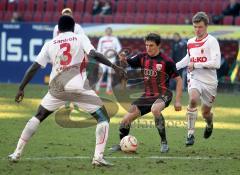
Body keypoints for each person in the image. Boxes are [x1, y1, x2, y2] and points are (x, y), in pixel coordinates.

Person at [8, 15, 126, 166]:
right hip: (78, 87)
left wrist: (21, 88)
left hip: (56, 87)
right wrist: (114, 67)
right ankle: (98, 157)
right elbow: (94, 54)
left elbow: (34, 67)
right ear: (73, 27)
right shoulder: (80, 37)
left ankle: (16, 153)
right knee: (103, 118)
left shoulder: (50, 43)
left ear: (58, 29)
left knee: (39, 115)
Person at [110, 33, 183, 153]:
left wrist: (178, 100)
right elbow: (127, 62)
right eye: (146, 45)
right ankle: (122, 144)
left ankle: (164, 143)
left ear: (158, 45)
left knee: (155, 109)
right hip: (147, 95)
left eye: (151, 45)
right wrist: (122, 58)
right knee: (125, 121)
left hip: (164, 94)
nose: (148, 48)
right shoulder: (142, 57)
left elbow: (179, 80)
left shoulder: (167, 61)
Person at [176, 12, 221, 146]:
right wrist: (173, 67)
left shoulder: (212, 41)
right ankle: (190, 135)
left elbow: (216, 63)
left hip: (210, 82)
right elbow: (188, 59)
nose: (197, 30)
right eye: (195, 27)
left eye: (200, 27)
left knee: (205, 113)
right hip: (194, 78)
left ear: (206, 26)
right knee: (193, 100)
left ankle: (209, 123)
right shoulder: (190, 42)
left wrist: (196, 64)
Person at [95, 27, 122, 95]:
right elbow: (98, 49)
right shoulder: (102, 39)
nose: (108, 32)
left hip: (111, 59)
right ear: (105, 31)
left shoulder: (115, 39)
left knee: (110, 75)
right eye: (107, 31)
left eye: (110, 31)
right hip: (103, 59)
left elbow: (119, 48)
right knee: (100, 74)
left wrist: (114, 53)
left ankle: (108, 90)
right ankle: (97, 89)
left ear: (111, 32)